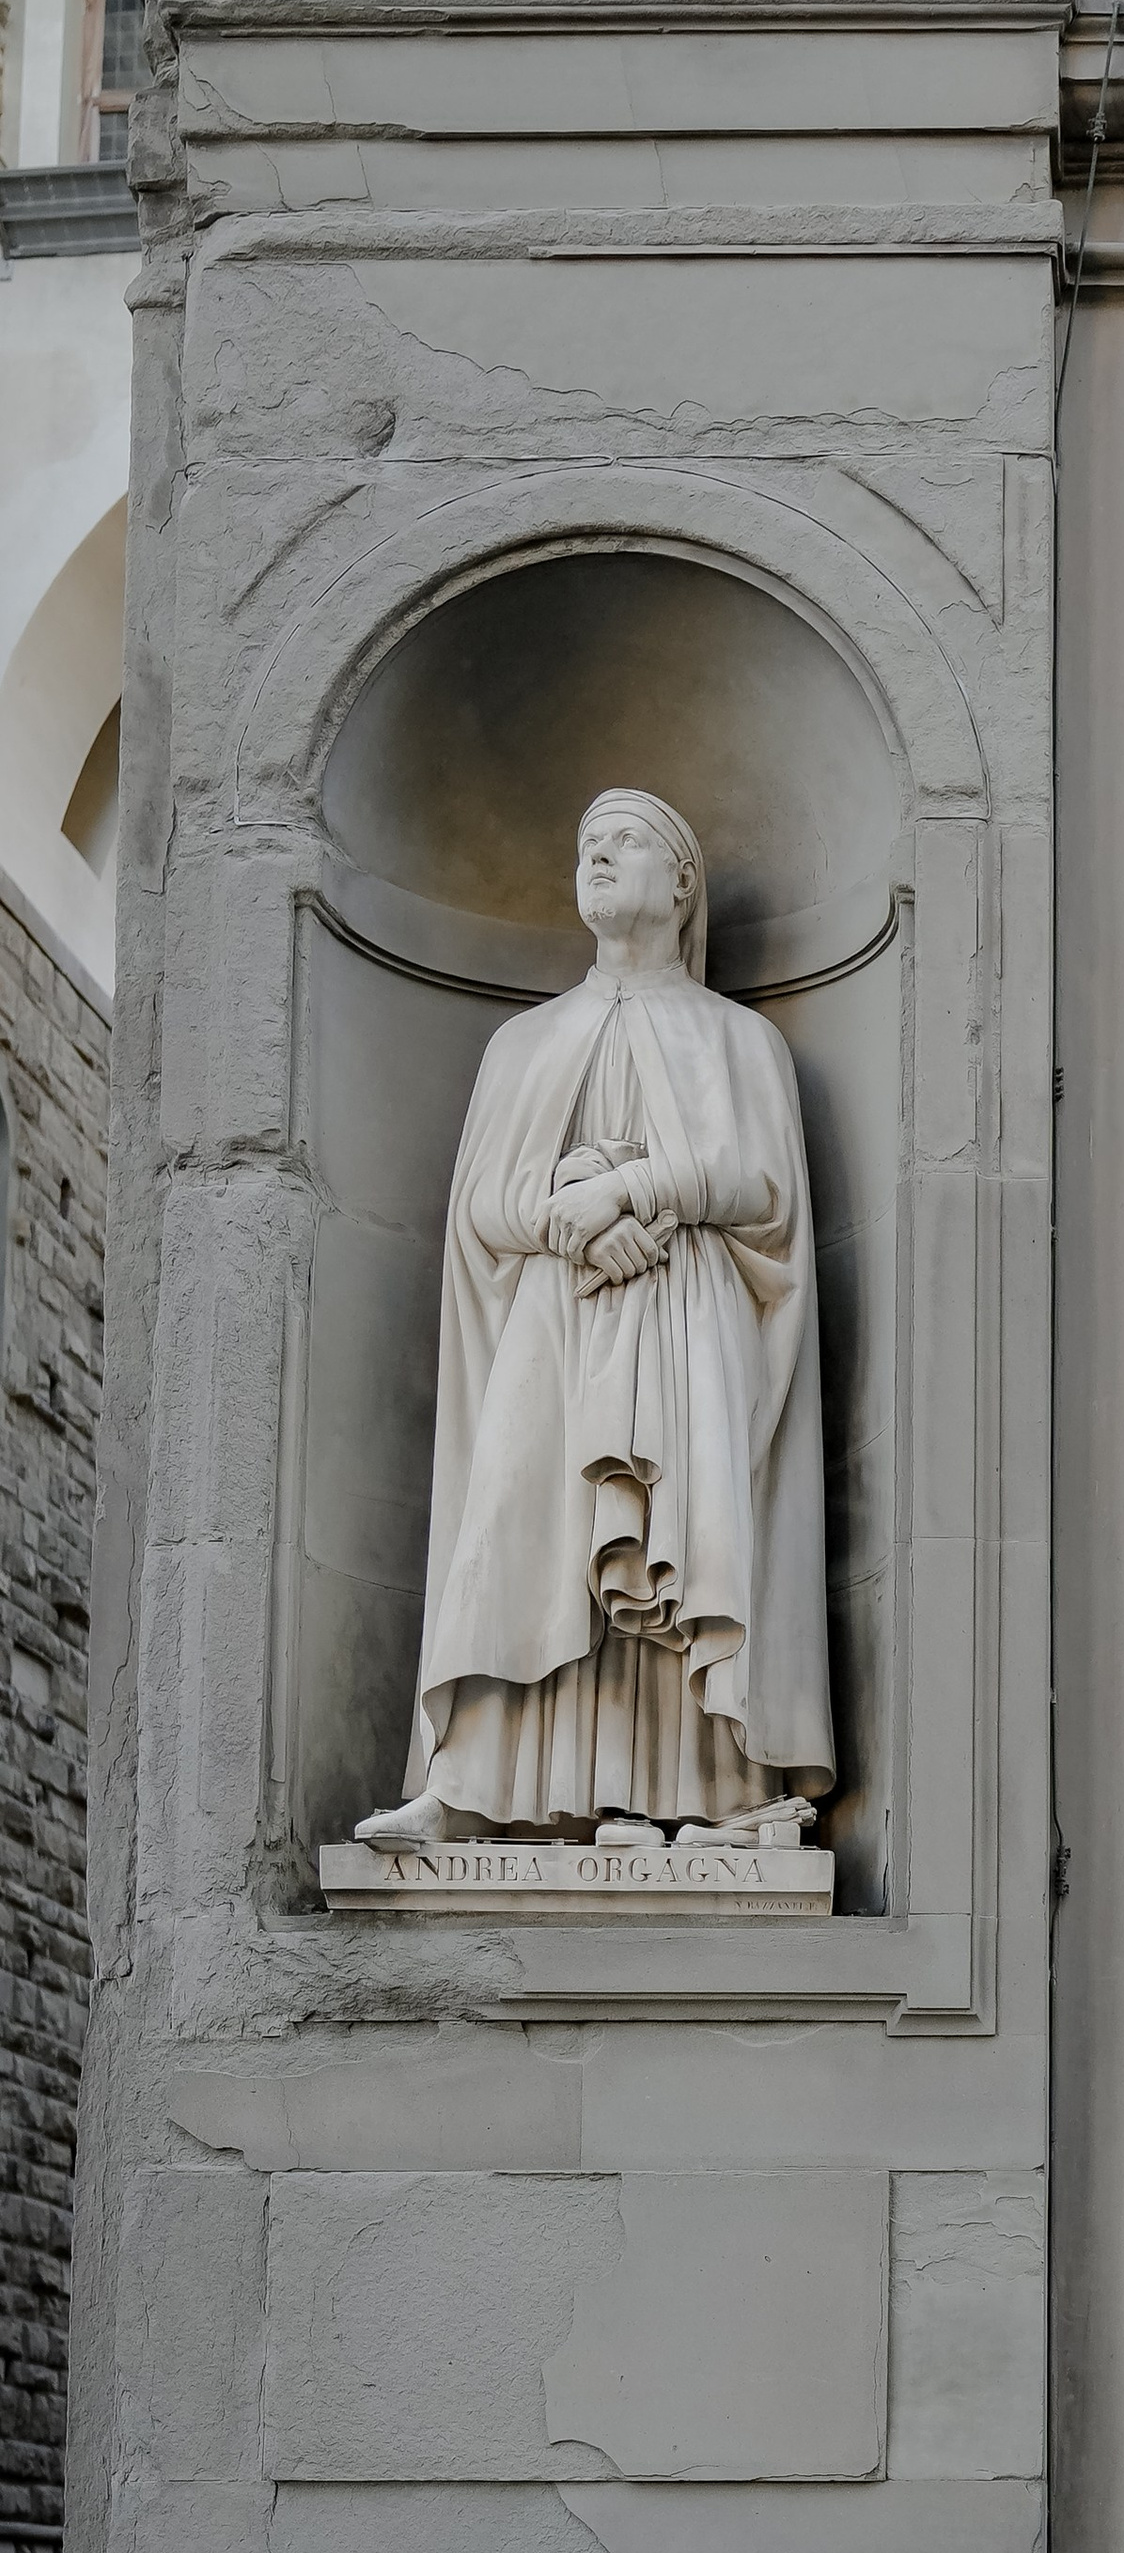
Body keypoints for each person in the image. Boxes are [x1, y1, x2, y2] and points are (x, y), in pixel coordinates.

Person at [354, 788, 835, 1848]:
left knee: (683, 1533)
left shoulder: (738, 1040)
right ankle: (475, 1786)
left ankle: (698, 1797)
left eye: (628, 843)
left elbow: (765, 1188)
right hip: (554, 1323)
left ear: (681, 883)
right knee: (522, 1528)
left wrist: (632, 1192)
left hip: (690, 1317)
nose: (600, 858)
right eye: (587, 847)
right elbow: (482, 1207)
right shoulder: (524, 1045)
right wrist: (568, 1219)